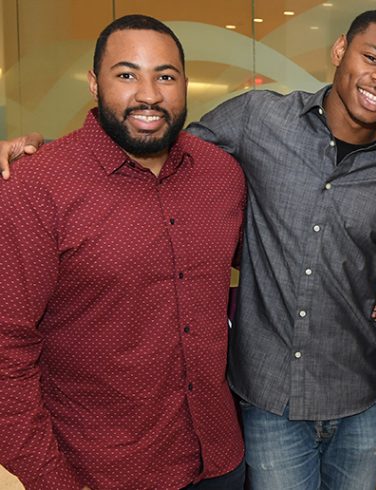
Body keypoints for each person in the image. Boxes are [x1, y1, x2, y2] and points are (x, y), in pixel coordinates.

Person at [0, 10, 376, 490]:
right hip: (263, 402)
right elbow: (148, 146)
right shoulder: (257, 118)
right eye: (371, 57)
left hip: (345, 401)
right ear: (339, 51)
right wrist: (48, 153)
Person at [0, 15, 246, 489]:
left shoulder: (221, 175)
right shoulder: (35, 188)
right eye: (127, 74)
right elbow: (5, 353)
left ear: (186, 84)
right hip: (102, 471)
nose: (149, 95)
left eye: (166, 76)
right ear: (94, 83)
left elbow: (278, 265)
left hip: (219, 459)